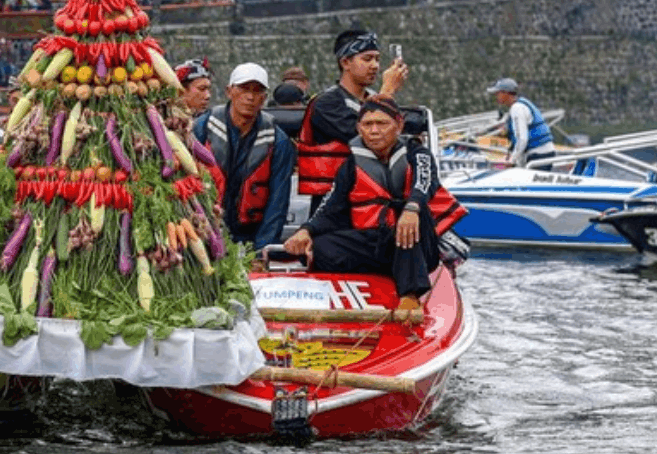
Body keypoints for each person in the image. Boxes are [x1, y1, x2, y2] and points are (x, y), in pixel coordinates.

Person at [283, 95, 467, 310]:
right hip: (375, 242)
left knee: (407, 223)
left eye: (382, 123)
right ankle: (357, 286)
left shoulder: (418, 154)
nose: (374, 131)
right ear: (359, 128)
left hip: (415, 242)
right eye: (368, 124)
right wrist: (306, 230)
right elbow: (330, 206)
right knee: (321, 247)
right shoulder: (351, 165)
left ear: (398, 125)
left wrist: (412, 207)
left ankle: (410, 294)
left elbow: (425, 182)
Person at [297, 30, 408, 211]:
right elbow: (373, 140)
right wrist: (388, 91)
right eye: (367, 59)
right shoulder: (326, 103)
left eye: (377, 59)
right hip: (334, 206)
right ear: (345, 62)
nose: (375, 66)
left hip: (374, 202)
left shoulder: (373, 99)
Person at [193, 62, 296, 250]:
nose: (250, 97)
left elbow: (277, 201)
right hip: (205, 229)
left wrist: (262, 249)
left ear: (264, 98)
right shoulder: (201, 128)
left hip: (250, 235)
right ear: (229, 91)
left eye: (257, 91)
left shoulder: (278, 141)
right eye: (243, 89)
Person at [486, 77, 556, 169]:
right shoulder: (520, 105)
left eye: (498, 93)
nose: (496, 96)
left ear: (506, 93)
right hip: (544, 153)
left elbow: (522, 139)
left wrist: (512, 160)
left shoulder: (517, 109)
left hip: (539, 155)